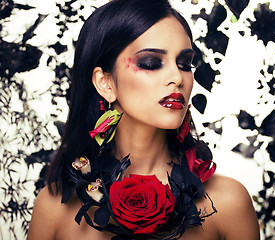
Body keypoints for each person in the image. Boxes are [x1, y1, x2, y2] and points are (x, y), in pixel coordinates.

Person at [27, 0, 260, 239]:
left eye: (185, 64)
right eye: (151, 63)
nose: (177, 77)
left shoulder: (228, 202)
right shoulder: (54, 208)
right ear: (105, 83)